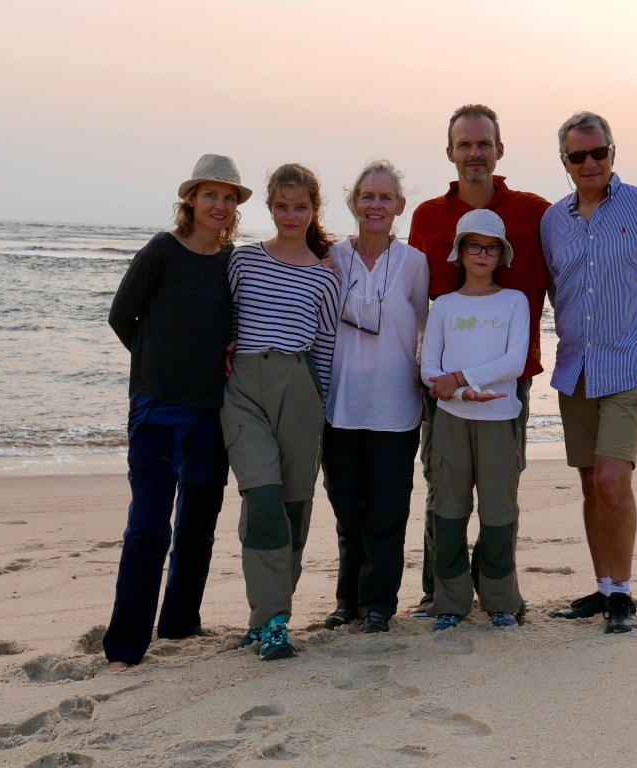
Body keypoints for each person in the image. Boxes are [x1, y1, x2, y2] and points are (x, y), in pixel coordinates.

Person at [407, 104, 637, 617]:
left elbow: (592, 239)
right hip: (442, 386)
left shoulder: (536, 212)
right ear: (450, 152)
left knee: (501, 489)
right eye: (465, 144)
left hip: (511, 380)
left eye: (484, 144)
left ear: (499, 150)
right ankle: (438, 593)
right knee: (444, 488)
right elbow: (415, 301)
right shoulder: (426, 216)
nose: (475, 153)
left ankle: (498, 594)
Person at [541, 111, 637, 632]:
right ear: (564, 161)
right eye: (577, 155)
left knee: (612, 476)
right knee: (590, 482)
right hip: (577, 364)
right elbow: (553, 288)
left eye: (598, 152)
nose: (589, 162)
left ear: (612, 152)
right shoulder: (553, 221)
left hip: (633, 360)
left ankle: (624, 593)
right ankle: (603, 587)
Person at [104, 154, 252, 670]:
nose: (220, 205)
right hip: (157, 410)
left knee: (197, 525)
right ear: (190, 199)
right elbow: (121, 316)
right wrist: (158, 365)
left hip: (212, 412)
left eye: (229, 197)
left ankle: (180, 622)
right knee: (148, 527)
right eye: (210, 194)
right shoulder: (162, 251)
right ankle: (125, 647)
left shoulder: (232, 262)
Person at [221, 163, 341, 660]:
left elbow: (327, 350)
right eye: (282, 206)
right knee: (263, 500)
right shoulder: (243, 261)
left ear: (314, 210)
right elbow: (223, 322)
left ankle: (267, 618)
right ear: (269, 208)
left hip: (300, 391)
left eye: (300, 207)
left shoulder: (326, 277)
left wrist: (324, 412)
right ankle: (273, 619)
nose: (291, 215)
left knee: (293, 507)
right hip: (244, 391)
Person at [319, 161, 430, 634]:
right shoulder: (329, 256)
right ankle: (348, 601)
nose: (376, 205)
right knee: (347, 511)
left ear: (400, 206)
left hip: (395, 408)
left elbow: (424, 330)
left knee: (387, 511)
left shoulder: (414, 263)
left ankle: (380, 604)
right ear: (353, 202)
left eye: (386, 197)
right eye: (367, 196)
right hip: (338, 406)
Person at [420, 209, 529, 630]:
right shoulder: (444, 306)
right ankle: (450, 602)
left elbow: (515, 361)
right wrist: (462, 393)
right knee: (448, 510)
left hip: (499, 418)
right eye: (473, 245)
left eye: (491, 247)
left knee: (499, 511)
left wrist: (463, 378)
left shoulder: (514, 301)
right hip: (451, 418)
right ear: (460, 251)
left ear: (502, 254)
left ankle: (500, 600)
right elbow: (430, 368)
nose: (482, 254)